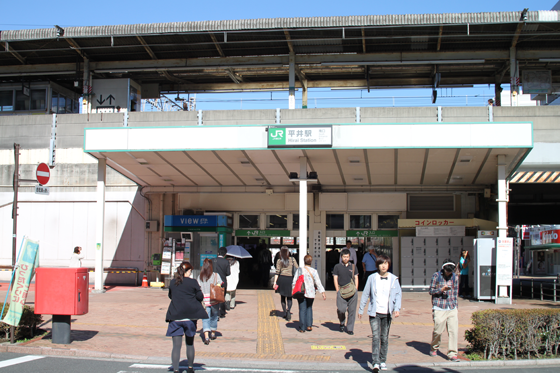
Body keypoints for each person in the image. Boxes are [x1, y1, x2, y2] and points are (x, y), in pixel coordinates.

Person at [358, 255, 402, 372]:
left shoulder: (394, 279)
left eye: (386, 263)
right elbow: (366, 293)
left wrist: (397, 308)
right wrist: (361, 309)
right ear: (377, 265)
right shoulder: (372, 278)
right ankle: (376, 362)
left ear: (389, 265)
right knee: (376, 337)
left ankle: (383, 360)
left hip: (387, 313)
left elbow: (398, 294)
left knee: (385, 338)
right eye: (381, 263)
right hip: (374, 313)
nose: (384, 266)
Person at [165, 261, 208, 373]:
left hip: (175, 317)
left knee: (176, 346)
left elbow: (171, 296)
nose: (191, 273)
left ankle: (175, 370)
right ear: (188, 271)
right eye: (190, 271)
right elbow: (200, 296)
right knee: (190, 343)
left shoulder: (173, 282)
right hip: (190, 317)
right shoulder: (193, 282)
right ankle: (190, 367)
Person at [429, 259, 460, 361]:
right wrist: (441, 290)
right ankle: (434, 347)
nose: (449, 273)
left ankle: (452, 353)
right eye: (447, 271)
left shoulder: (455, 277)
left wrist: (456, 306)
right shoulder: (436, 276)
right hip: (439, 306)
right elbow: (431, 290)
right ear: (443, 269)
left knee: (453, 331)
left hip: (451, 307)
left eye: (450, 272)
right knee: (438, 330)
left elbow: (455, 292)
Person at [292, 254, 326, 333]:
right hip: (311, 293)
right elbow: (318, 282)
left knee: (302, 309)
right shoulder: (314, 271)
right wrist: (322, 292)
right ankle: (309, 325)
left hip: (301, 292)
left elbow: (294, 281)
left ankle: (302, 328)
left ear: (304, 261)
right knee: (309, 307)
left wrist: (293, 288)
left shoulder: (300, 270)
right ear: (311, 262)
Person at [333, 248, 359, 335]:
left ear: (349, 257)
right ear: (341, 257)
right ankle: (342, 322)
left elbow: (356, 278)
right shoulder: (337, 267)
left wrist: (356, 289)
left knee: (352, 311)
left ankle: (350, 328)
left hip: (352, 292)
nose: (346, 258)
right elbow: (335, 278)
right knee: (341, 310)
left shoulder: (353, 267)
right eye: (344, 257)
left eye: (347, 257)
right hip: (341, 291)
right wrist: (337, 290)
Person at [198, 258, 223, 345]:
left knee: (205, 318)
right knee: (214, 317)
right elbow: (220, 284)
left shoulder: (200, 277)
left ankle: (206, 337)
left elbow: (198, 288)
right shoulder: (215, 275)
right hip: (214, 300)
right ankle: (212, 333)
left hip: (205, 301)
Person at [273, 246, 299, 321]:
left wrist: (275, 282)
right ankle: (288, 310)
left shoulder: (279, 261)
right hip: (290, 279)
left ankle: (284, 312)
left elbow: (277, 272)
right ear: (288, 252)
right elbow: (297, 269)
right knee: (290, 297)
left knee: (283, 297)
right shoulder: (293, 260)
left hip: (282, 279)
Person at [212, 247, 231, 318]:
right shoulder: (226, 262)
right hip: (223, 282)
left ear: (218, 253)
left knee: (213, 296)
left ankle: (214, 312)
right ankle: (222, 312)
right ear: (225, 254)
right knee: (222, 297)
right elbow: (228, 273)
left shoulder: (213, 260)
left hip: (213, 281)